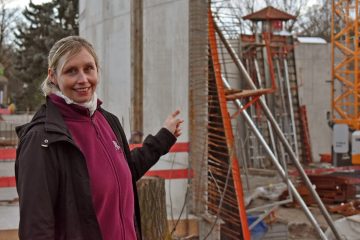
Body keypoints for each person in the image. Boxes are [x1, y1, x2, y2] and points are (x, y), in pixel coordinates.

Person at [15, 36, 183, 240]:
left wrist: (163, 138)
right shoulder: (41, 139)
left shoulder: (108, 120)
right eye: (71, 71)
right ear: (53, 76)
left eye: (88, 68)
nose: (83, 79)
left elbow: (124, 174)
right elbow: (36, 229)